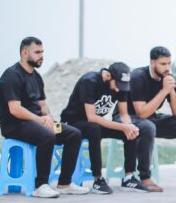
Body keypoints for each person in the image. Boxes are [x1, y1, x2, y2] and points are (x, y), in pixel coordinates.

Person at [0, 37, 88, 197]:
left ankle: (65, 184)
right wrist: (40, 120)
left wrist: (49, 118)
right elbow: (15, 109)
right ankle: (40, 185)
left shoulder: (36, 77)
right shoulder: (11, 76)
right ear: (25, 53)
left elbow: (43, 105)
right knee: (47, 136)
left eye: (42, 52)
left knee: (73, 134)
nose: (41, 56)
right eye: (37, 52)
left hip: (38, 122)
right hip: (15, 125)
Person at [60, 62, 141, 194]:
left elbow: (124, 114)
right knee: (95, 129)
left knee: (130, 131)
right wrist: (123, 126)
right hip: (74, 122)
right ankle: (98, 179)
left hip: (96, 124)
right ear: (108, 76)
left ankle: (129, 178)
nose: (118, 90)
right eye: (118, 85)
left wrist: (129, 127)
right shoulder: (90, 81)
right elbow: (91, 117)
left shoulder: (120, 86)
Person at [124, 46, 176, 192]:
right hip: (128, 117)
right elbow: (141, 113)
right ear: (152, 63)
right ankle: (145, 177)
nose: (167, 68)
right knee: (148, 126)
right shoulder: (138, 77)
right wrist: (164, 91)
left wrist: (171, 91)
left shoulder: (168, 79)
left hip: (151, 117)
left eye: (169, 63)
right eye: (163, 64)